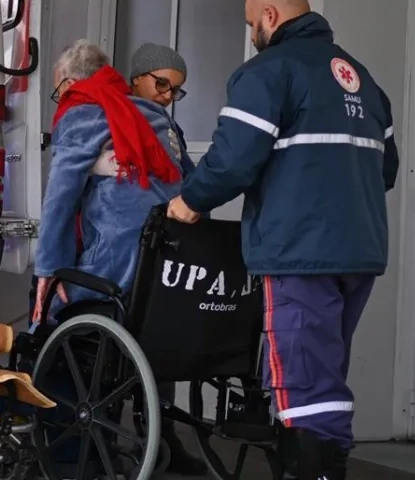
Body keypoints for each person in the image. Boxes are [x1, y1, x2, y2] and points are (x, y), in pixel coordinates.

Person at [165, 1, 399, 479]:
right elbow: (386, 170)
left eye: (252, 24)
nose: (252, 34)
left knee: (303, 380)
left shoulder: (270, 71)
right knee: (324, 371)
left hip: (299, 251)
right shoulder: (362, 78)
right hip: (359, 250)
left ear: (269, 15)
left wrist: (188, 201)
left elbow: (232, 160)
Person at [31, 39, 195, 477]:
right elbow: (195, 193)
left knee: (47, 327)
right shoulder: (161, 122)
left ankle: (68, 458)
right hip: (171, 277)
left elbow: (60, 203)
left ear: (68, 83)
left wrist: (45, 272)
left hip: (119, 273)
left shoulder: (82, 112)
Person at [125, 42, 207, 477]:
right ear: (136, 77)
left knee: (165, 336)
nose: (166, 95)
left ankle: (163, 433)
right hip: (125, 249)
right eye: (161, 84)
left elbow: (190, 178)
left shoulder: (170, 129)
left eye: (175, 90)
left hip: (164, 247)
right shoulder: (112, 116)